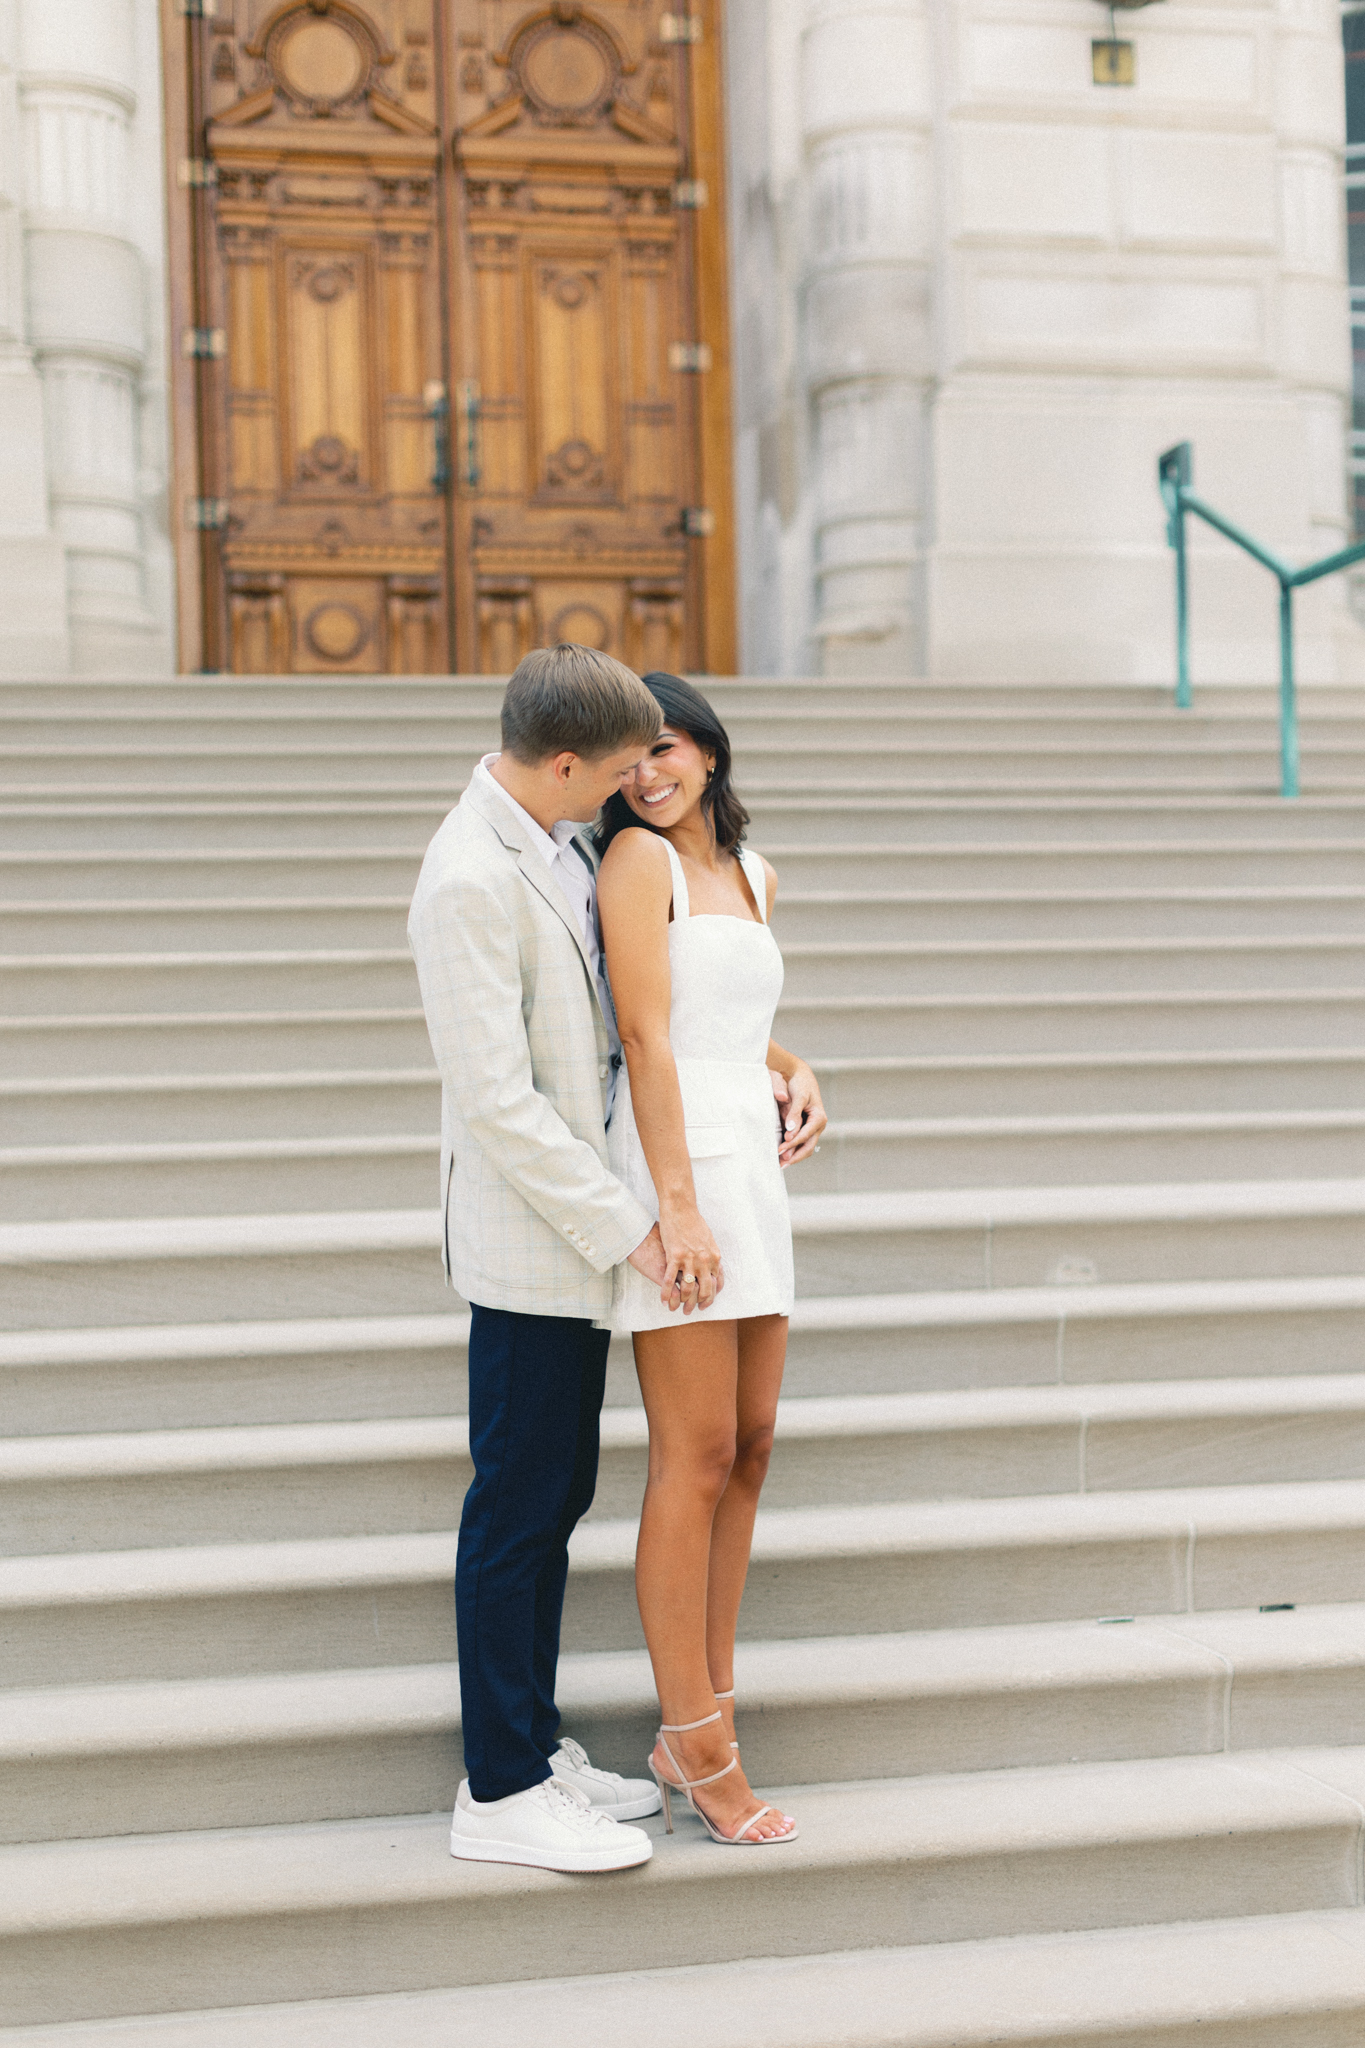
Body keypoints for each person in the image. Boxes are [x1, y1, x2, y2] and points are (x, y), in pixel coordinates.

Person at [408, 643, 689, 1875]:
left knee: (555, 1496)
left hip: (569, 1248)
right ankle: (501, 1785)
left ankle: (533, 1737)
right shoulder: (467, 876)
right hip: (532, 1249)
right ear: (564, 760)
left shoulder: (555, 838)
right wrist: (631, 1224)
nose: (638, 786)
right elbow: (500, 1103)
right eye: (624, 767)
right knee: (517, 1513)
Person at [595, 671, 828, 1846]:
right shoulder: (635, 863)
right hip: (679, 1164)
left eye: (667, 746)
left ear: (710, 751)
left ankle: (707, 1707)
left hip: (751, 1161)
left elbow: (723, 1007)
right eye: (630, 757)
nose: (648, 772)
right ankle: (696, 1734)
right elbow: (645, 1029)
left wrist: (800, 1064)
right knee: (690, 1455)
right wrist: (676, 1210)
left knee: (751, 1443)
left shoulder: (755, 870)